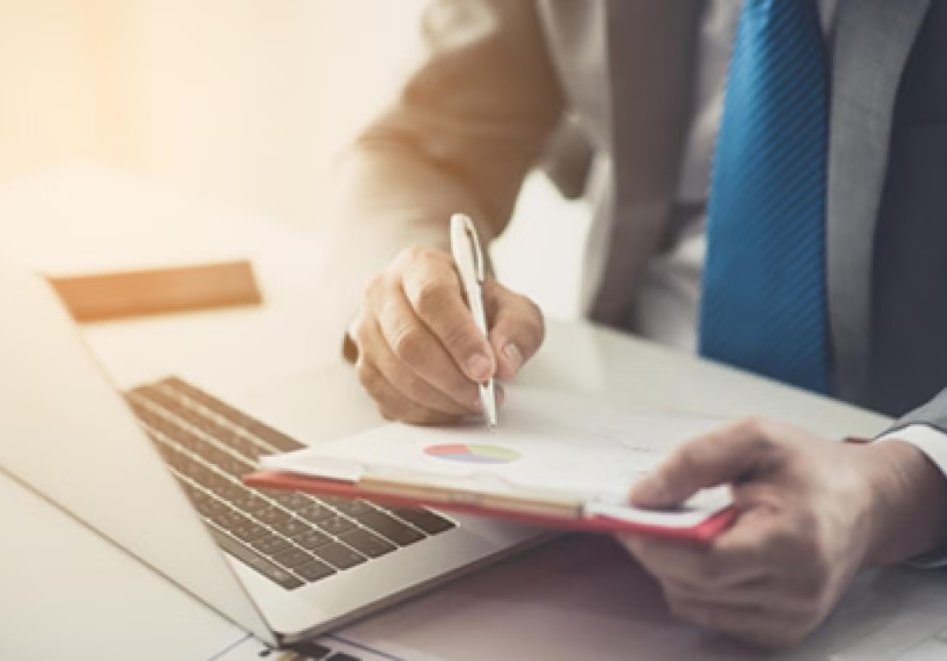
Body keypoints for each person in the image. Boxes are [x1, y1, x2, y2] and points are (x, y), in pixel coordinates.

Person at [325, 0, 947, 648]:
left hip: (896, 513)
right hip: (599, 444)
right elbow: (418, 147)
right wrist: (407, 297)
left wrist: (898, 487)